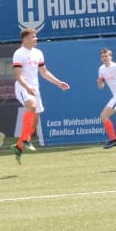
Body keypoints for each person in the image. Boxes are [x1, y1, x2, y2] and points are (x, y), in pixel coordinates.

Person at [12, 27, 70, 160]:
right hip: (22, 87)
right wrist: (27, 87)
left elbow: (44, 72)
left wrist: (58, 83)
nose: (36, 39)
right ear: (25, 39)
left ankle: (18, 146)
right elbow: (18, 76)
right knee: (32, 106)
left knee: (34, 122)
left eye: (35, 36)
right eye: (33, 37)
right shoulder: (19, 54)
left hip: (35, 89)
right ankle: (26, 139)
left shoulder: (38, 53)